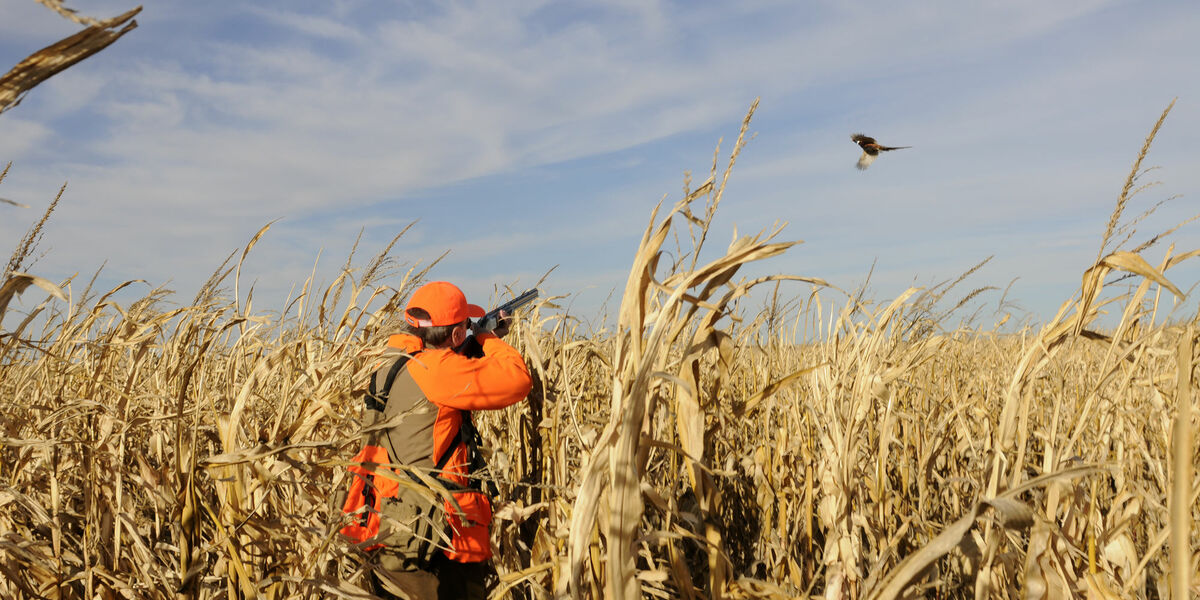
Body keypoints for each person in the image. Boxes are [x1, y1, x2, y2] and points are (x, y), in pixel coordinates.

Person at [346, 281, 532, 600]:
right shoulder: (436, 371)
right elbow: (518, 381)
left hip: (384, 517)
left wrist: (471, 342)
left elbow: (451, 370)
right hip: (429, 536)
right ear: (457, 335)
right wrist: (487, 336)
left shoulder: (390, 361)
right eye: (466, 326)